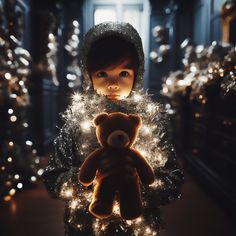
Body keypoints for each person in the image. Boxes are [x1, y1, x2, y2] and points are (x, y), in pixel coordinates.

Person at [42, 22, 184, 236]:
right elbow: (53, 178)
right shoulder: (76, 122)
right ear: (88, 75)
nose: (113, 84)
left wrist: (137, 182)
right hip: (85, 227)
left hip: (138, 227)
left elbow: (173, 180)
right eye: (102, 74)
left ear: (137, 73)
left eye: (124, 73)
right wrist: (90, 180)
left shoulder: (150, 122)